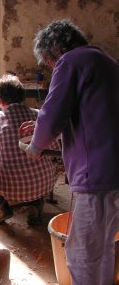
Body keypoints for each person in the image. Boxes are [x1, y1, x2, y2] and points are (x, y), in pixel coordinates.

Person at [20, 19, 119, 285]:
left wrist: (36, 145)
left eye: (48, 63)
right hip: (113, 170)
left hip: (97, 174)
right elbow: (90, 109)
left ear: (55, 51)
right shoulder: (105, 61)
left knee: (81, 253)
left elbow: (54, 117)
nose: (51, 67)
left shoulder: (71, 61)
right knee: (104, 246)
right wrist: (41, 118)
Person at [0, 73, 59, 222]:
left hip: (9, 188)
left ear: (0, 100)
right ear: (22, 96)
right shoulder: (38, 115)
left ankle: (1, 206)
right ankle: (36, 201)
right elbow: (54, 150)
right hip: (45, 183)